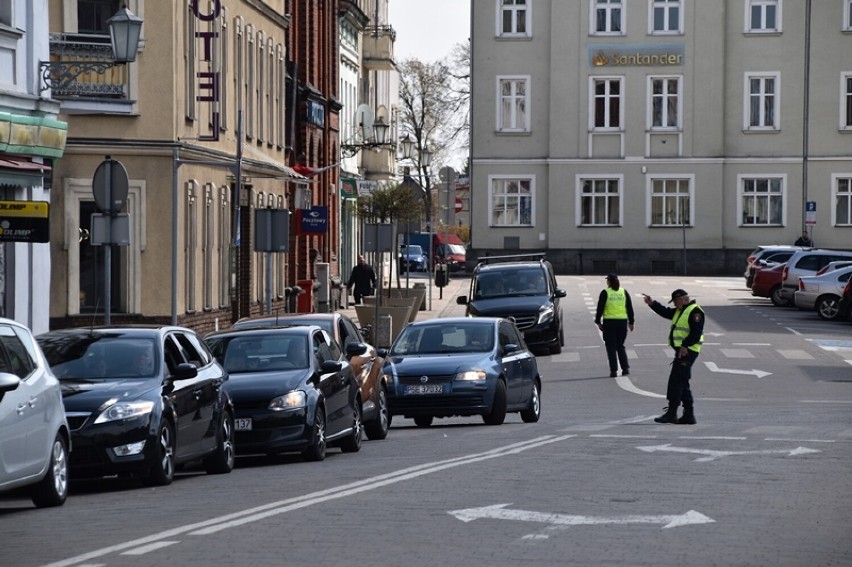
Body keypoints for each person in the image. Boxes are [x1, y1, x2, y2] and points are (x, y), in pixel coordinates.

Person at [643, 288, 705, 424]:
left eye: (676, 302)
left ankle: (672, 413)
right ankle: (689, 415)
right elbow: (665, 312)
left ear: (682, 299)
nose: (675, 305)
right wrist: (652, 303)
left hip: (687, 351)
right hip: (682, 351)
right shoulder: (680, 311)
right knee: (682, 382)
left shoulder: (695, 311)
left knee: (676, 382)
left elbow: (696, 332)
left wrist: (685, 345)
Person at [594, 273, 635, 378]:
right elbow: (629, 307)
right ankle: (625, 369)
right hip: (622, 322)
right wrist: (631, 322)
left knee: (611, 347)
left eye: (607, 280)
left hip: (609, 323)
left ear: (609, 282)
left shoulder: (605, 292)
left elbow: (600, 308)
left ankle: (613, 371)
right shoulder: (623, 292)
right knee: (620, 346)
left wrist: (598, 321)